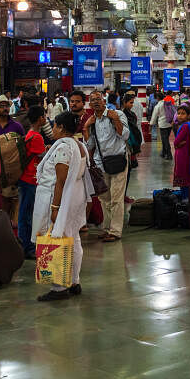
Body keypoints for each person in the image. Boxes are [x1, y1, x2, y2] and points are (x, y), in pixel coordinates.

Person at [32, 111, 93, 301]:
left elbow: (60, 180)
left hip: (62, 198)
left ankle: (59, 287)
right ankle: (74, 281)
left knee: (57, 237)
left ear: (61, 127)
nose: (53, 130)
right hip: (75, 196)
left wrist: (55, 207)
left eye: (55, 126)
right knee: (72, 238)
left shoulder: (63, 148)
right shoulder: (79, 145)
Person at [85, 92, 129, 242]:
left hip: (118, 160)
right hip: (101, 163)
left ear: (104, 101)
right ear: (90, 104)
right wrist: (85, 128)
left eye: (98, 99)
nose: (96, 102)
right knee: (104, 198)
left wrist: (115, 120)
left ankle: (115, 231)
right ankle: (106, 228)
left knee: (116, 197)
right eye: (93, 100)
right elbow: (90, 145)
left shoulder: (117, 114)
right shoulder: (92, 121)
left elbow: (125, 136)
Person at [18, 106, 50, 256]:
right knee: (28, 214)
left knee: (25, 212)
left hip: (25, 178)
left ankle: (25, 244)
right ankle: (28, 247)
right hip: (30, 179)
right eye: (44, 116)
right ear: (40, 119)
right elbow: (42, 156)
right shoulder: (36, 136)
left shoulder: (29, 134)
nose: (45, 119)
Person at [171, 105, 190, 187]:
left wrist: (178, 144)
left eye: (183, 114)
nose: (180, 116)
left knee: (183, 174)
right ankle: (188, 196)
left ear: (188, 115)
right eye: (178, 113)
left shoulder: (185, 126)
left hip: (183, 154)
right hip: (188, 153)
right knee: (187, 175)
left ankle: (185, 197)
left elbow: (176, 142)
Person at [150, 92, 176, 160]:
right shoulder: (168, 103)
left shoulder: (158, 106)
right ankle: (164, 153)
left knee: (165, 140)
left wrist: (151, 124)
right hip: (169, 124)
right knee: (165, 138)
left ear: (157, 98)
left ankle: (169, 154)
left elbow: (154, 116)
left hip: (162, 125)